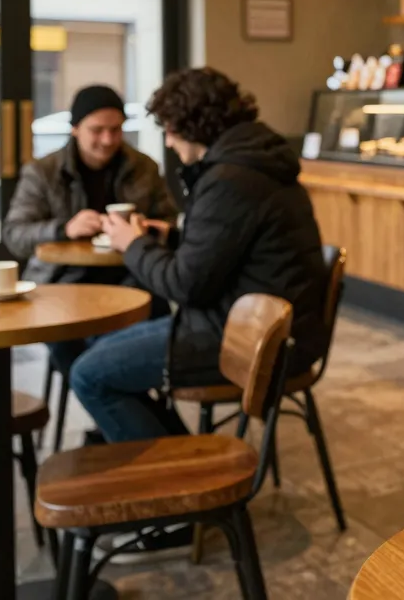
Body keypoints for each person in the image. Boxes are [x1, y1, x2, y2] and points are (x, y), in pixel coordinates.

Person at [74, 68, 326, 557]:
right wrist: (165, 236)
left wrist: (131, 243)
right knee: (104, 356)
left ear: (190, 125)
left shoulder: (231, 178)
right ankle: (183, 479)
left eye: (168, 128)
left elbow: (184, 284)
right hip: (260, 324)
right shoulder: (253, 161)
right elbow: (223, 252)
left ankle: (171, 511)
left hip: (247, 339)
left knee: (91, 373)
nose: (167, 141)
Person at [2, 84, 177, 375]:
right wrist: (63, 229)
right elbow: (14, 235)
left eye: (116, 130)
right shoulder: (43, 171)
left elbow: (169, 221)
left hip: (130, 274)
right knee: (71, 339)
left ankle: (115, 396)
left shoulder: (143, 167)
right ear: (75, 129)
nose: (107, 140)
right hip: (62, 280)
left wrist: (146, 229)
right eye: (97, 130)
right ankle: (106, 395)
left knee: (151, 316)